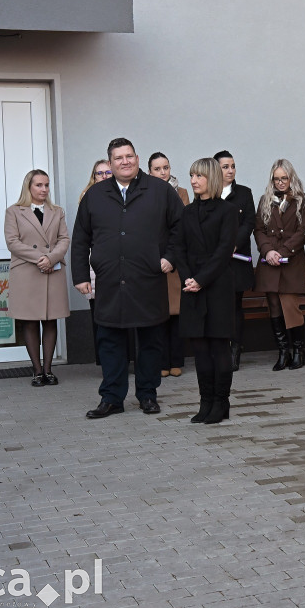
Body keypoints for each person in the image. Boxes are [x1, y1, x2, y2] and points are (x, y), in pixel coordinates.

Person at [71, 138, 184, 419]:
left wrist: (170, 258)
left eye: (129, 156)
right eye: (118, 158)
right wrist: (80, 275)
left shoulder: (159, 191)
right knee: (110, 342)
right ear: (110, 163)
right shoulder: (95, 196)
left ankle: (147, 394)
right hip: (109, 282)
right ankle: (112, 398)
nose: (125, 161)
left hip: (148, 279)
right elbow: (80, 238)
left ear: (137, 158)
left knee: (149, 341)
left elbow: (181, 229)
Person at [175, 158, 238, 424]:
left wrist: (201, 279)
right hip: (192, 288)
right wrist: (188, 278)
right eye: (191, 175)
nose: (193, 180)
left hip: (217, 287)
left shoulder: (228, 211)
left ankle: (221, 403)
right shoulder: (187, 212)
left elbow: (224, 251)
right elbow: (178, 247)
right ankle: (205, 402)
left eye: (199, 176)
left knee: (218, 348)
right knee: (199, 350)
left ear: (210, 177)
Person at [5, 170, 71, 386]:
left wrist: (51, 258)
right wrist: (41, 257)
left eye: (47, 185)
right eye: (39, 185)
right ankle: (37, 370)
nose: (44, 190)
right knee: (30, 321)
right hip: (27, 271)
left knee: (51, 320)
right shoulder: (14, 212)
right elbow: (12, 242)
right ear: (29, 187)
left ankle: (49, 370)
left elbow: (64, 239)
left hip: (52, 270)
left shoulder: (57, 211)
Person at [254, 158, 305, 371]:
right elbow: (258, 229)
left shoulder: (303, 200)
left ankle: (299, 351)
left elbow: (303, 231)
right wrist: (268, 251)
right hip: (269, 263)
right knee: (274, 308)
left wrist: (281, 252)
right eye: (276, 179)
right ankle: (283, 352)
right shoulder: (264, 200)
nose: (280, 183)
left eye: (284, 178)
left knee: (290, 307)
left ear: (291, 178)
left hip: (291, 262)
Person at [148, 152, 190, 378]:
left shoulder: (181, 193)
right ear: (149, 172)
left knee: (176, 313)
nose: (163, 172)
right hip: (153, 262)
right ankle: (161, 361)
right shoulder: (144, 193)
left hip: (175, 262)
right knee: (158, 315)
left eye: (166, 167)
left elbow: (184, 226)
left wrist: (172, 257)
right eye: (158, 168)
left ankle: (176, 360)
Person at [215, 150, 255, 371]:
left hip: (237, 260)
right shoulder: (209, 193)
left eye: (232, 166)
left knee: (235, 306)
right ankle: (220, 349)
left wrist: (232, 245)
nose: (230, 170)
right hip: (215, 262)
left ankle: (235, 350)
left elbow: (248, 223)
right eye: (225, 167)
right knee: (218, 306)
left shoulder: (244, 193)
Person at [79, 159, 114, 364]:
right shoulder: (88, 198)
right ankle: (103, 360)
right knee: (98, 311)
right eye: (99, 173)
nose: (103, 176)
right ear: (93, 177)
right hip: (96, 260)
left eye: (107, 172)